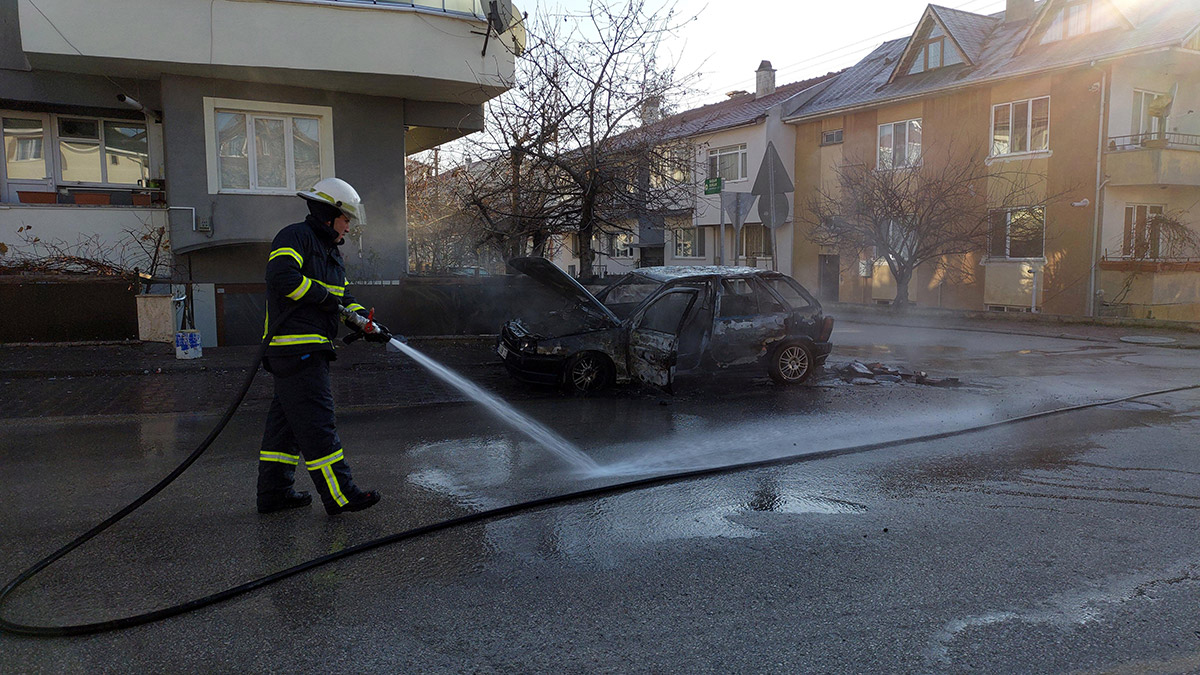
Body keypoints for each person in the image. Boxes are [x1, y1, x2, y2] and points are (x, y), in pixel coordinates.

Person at [256, 177, 388, 515]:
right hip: (295, 346)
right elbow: (283, 279)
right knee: (317, 424)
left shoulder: (331, 254)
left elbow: (345, 300)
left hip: (303, 349)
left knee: (285, 427)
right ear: (331, 214)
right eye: (346, 220)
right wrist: (325, 297)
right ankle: (340, 495)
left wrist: (365, 324)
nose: (348, 228)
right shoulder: (294, 237)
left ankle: (275, 493)